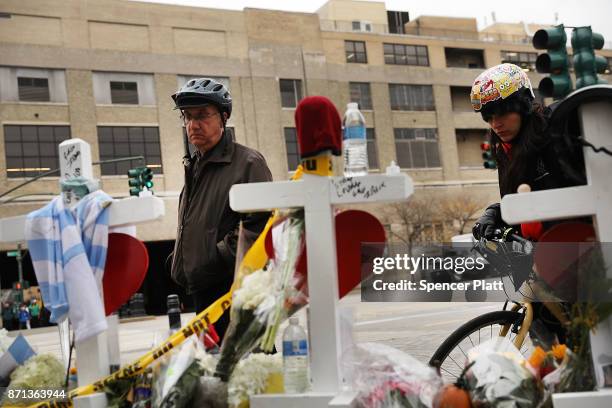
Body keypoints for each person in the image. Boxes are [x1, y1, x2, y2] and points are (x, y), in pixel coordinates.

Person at [170, 78, 272, 342]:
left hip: (234, 293)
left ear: (224, 117)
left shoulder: (248, 163)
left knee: (245, 372)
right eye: (188, 117)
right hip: (201, 292)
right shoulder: (194, 166)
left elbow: (259, 227)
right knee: (212, 374)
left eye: (202, 115)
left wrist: (212, 258)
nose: (193, 125)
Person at [470, 63, 584, 242]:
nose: (495, 124)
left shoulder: (558, 130)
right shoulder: (505, 151)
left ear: (523, 103)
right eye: (488, 117)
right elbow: (527, 202)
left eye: (502, 113)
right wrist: (497, 213)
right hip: (543, 258)